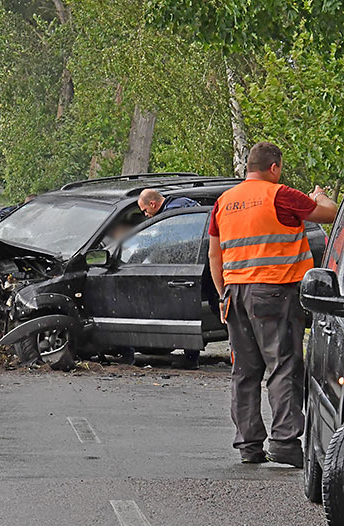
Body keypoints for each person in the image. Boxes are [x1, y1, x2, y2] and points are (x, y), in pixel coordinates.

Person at [208, 141, 337, 467]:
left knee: (245, 371)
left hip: (235, 294)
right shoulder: (280, 194)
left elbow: (214, 254)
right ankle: (284, 442)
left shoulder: (224, 201)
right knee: (284, 366)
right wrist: (320, 198)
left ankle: (248, 445)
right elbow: (334, 215)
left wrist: (224, 292)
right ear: (274, 167)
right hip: (275, 293)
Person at [137, 188, 202, 369]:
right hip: (198, 266)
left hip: (187, 269)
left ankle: (191, 358)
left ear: (153, 203)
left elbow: (165, 245)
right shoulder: (180, 204)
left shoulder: (172, 216)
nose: (146, 215)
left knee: (187, 311)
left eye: (145, 210)